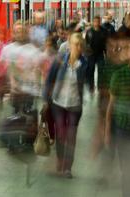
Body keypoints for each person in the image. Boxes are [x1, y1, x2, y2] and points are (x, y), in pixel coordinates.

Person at [43, 33, 87, 178]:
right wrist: (45, 100)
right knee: (61, 134)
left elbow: (86, 81)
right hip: (58, 103)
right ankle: (60, 161)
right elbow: (49, 80)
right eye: (76, 44)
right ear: (70, 45)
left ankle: (68, 167)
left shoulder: (84, 63)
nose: (79, 48)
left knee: (71, 136)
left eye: (81, 45)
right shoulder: (59, 60)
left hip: (75, 105)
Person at [105, 37, 130, 197]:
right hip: (124, 130)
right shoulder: (119, 75)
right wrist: (108, 131)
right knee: (128, 174)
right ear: (129, 53)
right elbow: (111, 105)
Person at [85, 16, 107, 93]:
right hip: (91, 54)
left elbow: (106, 43)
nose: (97, 23)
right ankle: (91, 86)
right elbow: (86, 42)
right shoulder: (89, 32)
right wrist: (87, 52)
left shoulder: (103, 31)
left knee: (101, 70)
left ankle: (100, 86)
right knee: (91, 70)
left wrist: (106, 53)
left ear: (100, 22)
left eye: (98, 21)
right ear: (93, 22)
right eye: (95, 21)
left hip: (100, 54)